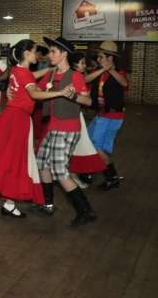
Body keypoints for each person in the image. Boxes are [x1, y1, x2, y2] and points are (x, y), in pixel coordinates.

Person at [0, 40, 73, 218]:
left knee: (2, 157)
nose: (37, 55)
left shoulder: (17, 70)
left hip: (9, 117)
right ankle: (8, 203)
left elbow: (30, 76)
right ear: (27, 53)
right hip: (19, 120)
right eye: (35, 51)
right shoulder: (24, 74)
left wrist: (49, 70)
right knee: (16, 160)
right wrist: (59, 93)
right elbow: (35, 93)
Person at [35, 36, 96, 227]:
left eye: (53, 51)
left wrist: (74, 95)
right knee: (42, 163)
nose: (49, 54)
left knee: (60, 171)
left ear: (63, 54)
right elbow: (35, 92)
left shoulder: (75, 75)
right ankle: (48, 204)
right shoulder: (51, 75)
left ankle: (86, 211)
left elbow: (88, 102)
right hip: (53, 127)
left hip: (68, 128)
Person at [85, 41, 128, 190]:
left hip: (112, 116)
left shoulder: (119, 73)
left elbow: (124, 83)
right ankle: (90, 172)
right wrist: (102, 69)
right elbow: (85, 80)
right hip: (101, 115)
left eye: (101, 57)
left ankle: (112, 177)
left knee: (97, 147)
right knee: (89, 141)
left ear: (110, 58)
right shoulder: (99, 72)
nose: (98, 59)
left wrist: (110, 70)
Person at [67, 52, 106, 187]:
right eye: (82, 63)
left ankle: (74, 175)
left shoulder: (73, 74)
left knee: (76, 146)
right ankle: (72, 177)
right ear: (74, 64)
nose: (84, 65)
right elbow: (86, 86)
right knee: (77, 146)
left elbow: (86, 79)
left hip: (74, 113)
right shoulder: (75, 75)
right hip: (73, 115)